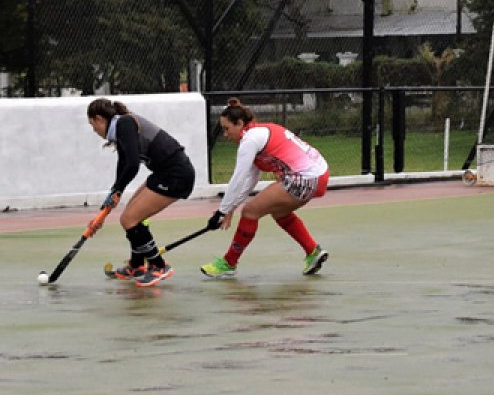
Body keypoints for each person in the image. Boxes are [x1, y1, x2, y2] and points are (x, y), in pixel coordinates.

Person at [200, 98, 330, 278]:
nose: (225, 134)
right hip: (319, 175)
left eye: (226, 128)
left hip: (305, 177)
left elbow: (237, 179)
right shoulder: (258, 133)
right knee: (279, 211)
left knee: (250, 211)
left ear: (239, 123)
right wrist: (229, 208)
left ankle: (229, 263)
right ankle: (312, 251)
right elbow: (250, 180)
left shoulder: (249, 140)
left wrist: (221, 212)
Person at [87, 98, 196, 288]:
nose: (94, 130)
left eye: (92, 124)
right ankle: (137, 266)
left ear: (99, 118)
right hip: (164, 174)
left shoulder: (124, 123)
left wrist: (118, 190)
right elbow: (123, 164)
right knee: (131, 216)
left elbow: (132, 165)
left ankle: (159, 266)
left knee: (129, 219)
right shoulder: (121, 127)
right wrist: (114, 192)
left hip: (176, 175)